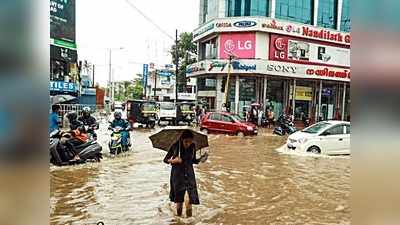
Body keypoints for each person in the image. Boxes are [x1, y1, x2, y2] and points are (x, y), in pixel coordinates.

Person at [163, 130, 207, 217]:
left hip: (189, 175)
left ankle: (189, 220)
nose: (188, 144)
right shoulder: (175, 146)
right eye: (186, 141)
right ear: (182, 139)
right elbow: (165, 160)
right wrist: (173, 160)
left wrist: (201, 159)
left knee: (190, 200)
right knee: (179, 202)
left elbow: (193, 160)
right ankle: (178, 219)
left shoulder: (193, 146)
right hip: (178, 176)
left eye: (190, 141)